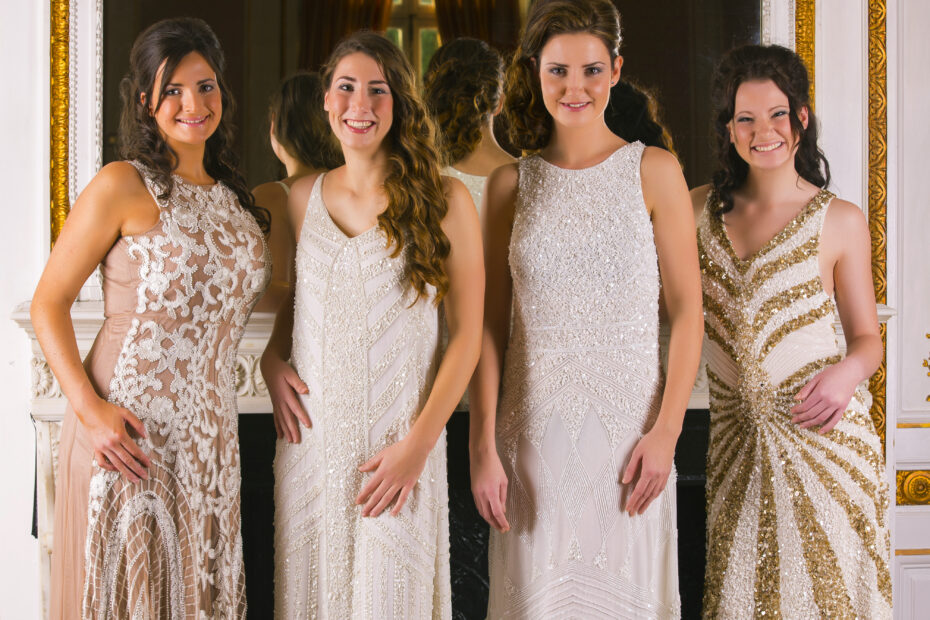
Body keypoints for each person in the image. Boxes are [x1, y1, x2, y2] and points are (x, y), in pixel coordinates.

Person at [469, 0, 704, 617]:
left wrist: (667, 431)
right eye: (558, 71)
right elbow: (489, 330)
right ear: (534, 72)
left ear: (617, 69)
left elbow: (687, 314)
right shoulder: (508, 186)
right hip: (530, 438)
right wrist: (481, 446)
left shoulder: (654, 171)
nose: (575, 88)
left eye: (592, 70)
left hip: (631, 440)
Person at [32, 17, 270, 619]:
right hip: (129, 433)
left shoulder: (236, 200)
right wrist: (90, 412)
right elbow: (48, 303)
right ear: (145, 101)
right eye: (173, 90)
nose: (194, 103)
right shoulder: (122, 184)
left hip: (211, 441)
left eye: (207, 86)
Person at [262, 31, 483, 618]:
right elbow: (294, 295)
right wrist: (270, 356)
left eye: (377, 90)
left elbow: (466, 335)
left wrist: (419, 445)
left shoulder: (446, 198)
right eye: (347, 88)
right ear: (327, 102)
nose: (360, 105)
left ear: (398, 104)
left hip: (400, 452)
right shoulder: (298, 198)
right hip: (312, 451)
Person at [692, 44, 891, 619]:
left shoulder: (841, 219)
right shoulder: (695, 210)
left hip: (826, 446)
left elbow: (867, 338)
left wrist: (845, 376)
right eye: (745, 118)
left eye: (777, 114)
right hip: (737, 451)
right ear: (728, 128)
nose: (763, 132)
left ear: (801, 118)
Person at [422, 35, 515, 612]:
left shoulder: (419, 185)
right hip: (505, 382)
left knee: (446, 552)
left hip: (430, 382)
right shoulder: (526, 178)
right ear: (498, 99)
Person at [252, 71, 343, 313]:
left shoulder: (270, 197)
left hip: (274, 341)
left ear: (275, 126)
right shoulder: (352, 193)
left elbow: (266, 295)